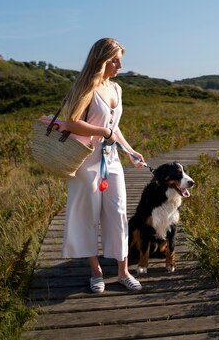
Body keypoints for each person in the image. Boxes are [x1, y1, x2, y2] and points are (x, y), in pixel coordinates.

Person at [56, 38, 145, 293]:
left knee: (117, 213)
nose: (120, 65)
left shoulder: (116, 89)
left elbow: (114, 127)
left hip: (111, 159)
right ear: (101, 60)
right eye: (114, 60)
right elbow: (72, 122)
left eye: (120, 59)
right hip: (86, 159)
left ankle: (123, 271)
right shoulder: (87, 87)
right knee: (88, 216)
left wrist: (129, 150)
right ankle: (95, 272)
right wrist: (103, 131)